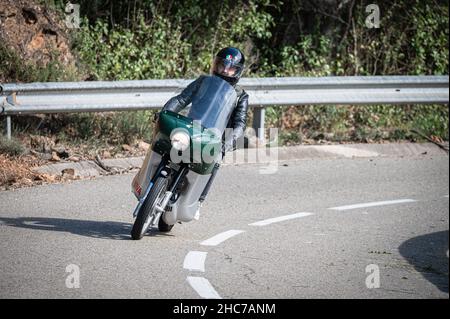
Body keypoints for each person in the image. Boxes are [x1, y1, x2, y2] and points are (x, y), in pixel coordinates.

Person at [160, 47, 249, 217]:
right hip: (190, 129)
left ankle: (198, 201)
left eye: (230, 67)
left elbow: (240, 123)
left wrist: (228, 143)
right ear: (215, 64)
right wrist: (165, 112)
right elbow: (181, 99)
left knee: (215, 161)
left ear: (237, 71)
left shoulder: (240, 96)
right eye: (222, 65)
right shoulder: (203, 81)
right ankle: (153, 181)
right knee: (167, 145)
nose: (224, 70)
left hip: (214, 139)